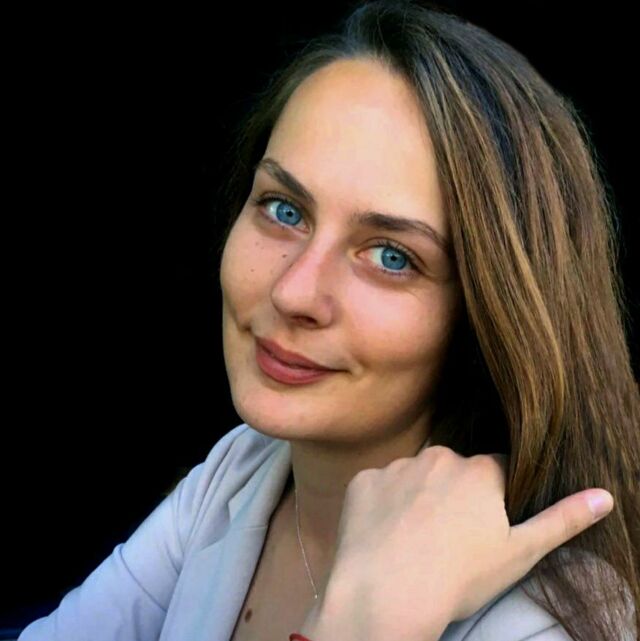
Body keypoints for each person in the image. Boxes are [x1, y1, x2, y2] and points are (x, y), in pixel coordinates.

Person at [18, 1, 639, 640]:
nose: (294, 292)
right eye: (284, 210)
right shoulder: (241, 474)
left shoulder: (546, 625)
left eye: (391, 256)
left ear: (489, 318)